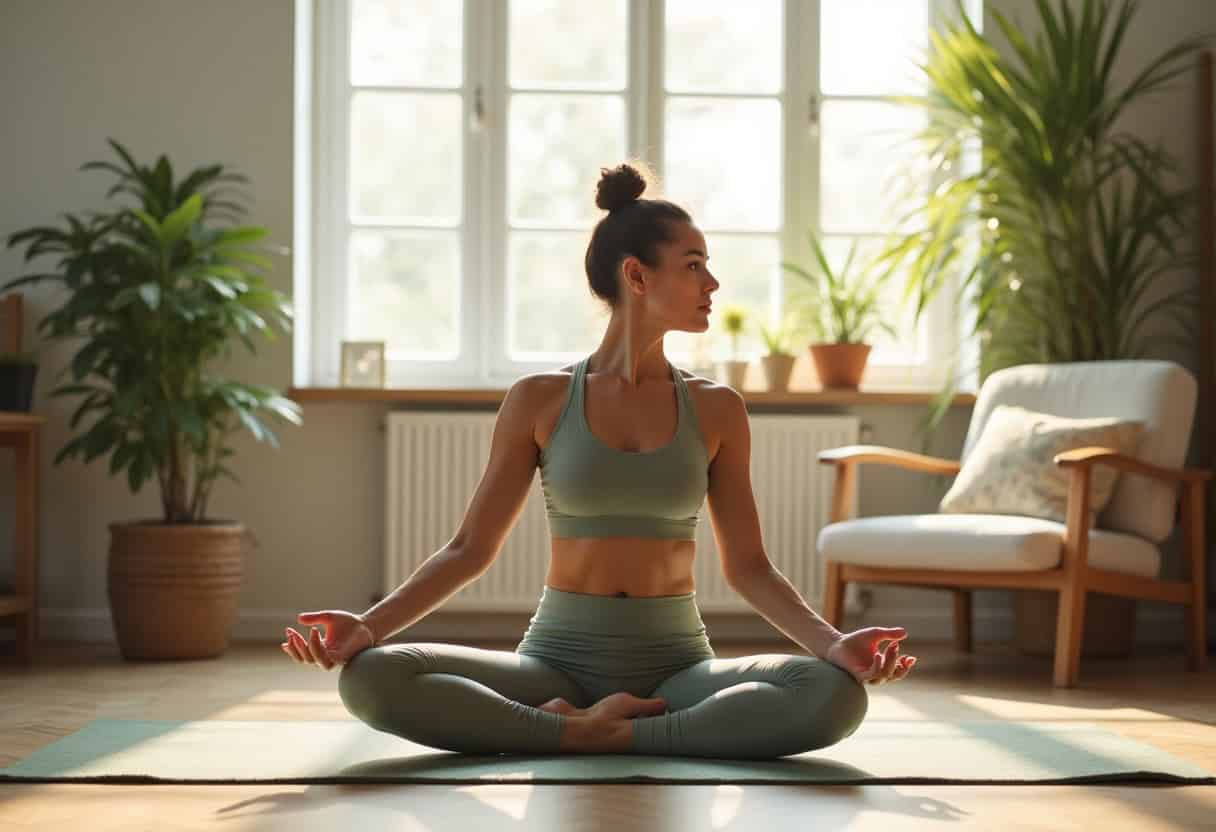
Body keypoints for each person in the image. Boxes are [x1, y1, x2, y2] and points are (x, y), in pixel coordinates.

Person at [282, 161, 916, 759]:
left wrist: (835, 645)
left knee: (832, 695)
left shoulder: (718, 408)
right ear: (637, 276)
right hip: (552, 661)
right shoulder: (541, 399)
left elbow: (749, 568)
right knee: (372, 678)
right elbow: (469, 549)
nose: (712, 283)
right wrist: (366, 628)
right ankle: (592, 726)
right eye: (693, 265)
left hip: (678, 666)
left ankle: (592, 734)